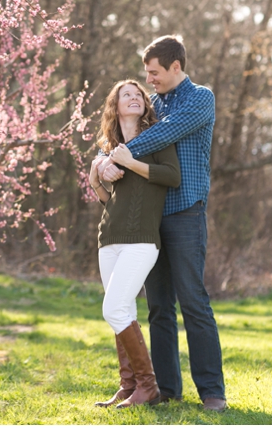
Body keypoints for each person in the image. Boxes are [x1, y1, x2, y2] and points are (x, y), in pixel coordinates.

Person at [96, 35, 227, 412]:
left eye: (154, 72)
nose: (148, 79)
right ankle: (166, 389)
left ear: (175, 67)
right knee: (158, 307)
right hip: (150, 220)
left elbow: (162, 134)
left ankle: (212, 392)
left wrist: (115, 159)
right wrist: (103, 161)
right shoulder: (151, 104)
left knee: (193, 301)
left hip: (185, 212)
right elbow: (124, 130)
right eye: (146, 73)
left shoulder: (200, 98)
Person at [89, 80, 180, 409]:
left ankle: (148, 386)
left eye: (139, 94)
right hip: (108, 237)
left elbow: (172, 176)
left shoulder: (156, 136)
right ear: (114, 105)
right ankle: (128, 386)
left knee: (112, 309)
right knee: (122, 311)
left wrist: (129, 163)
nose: (135, 98)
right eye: (126, 94)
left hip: (142, 240)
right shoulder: (108, 148)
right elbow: (107, 199)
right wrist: (94, 177)